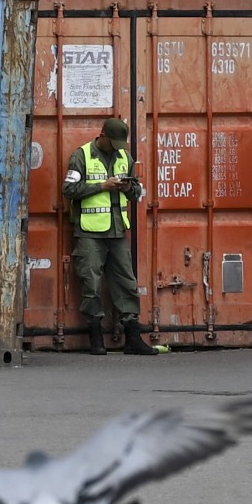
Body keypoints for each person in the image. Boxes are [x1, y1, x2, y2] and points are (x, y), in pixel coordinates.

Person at [62, 118, 157, 356]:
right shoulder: (81, 156)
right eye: (112, 143)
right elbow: (69, 190)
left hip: (117, 231)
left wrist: (128, 188)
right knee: (91, 283)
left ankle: (132, 337)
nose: (116, 148)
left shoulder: (125, 158)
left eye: (119, 144)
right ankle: (95, 337)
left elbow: (137, 192)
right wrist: (102, 186)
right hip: (89, 233)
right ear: (102, 135)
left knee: (127, 282)